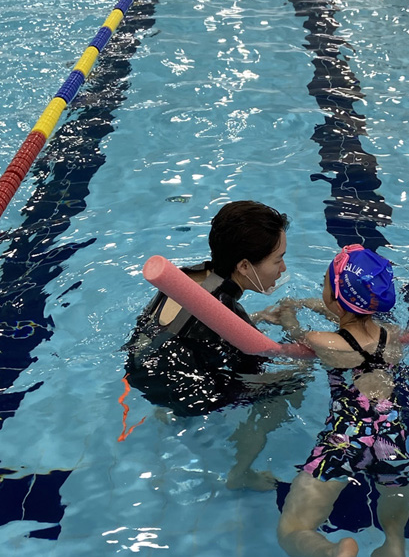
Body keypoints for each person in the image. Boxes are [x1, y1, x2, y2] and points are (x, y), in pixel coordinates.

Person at [272, 245, 409, 557]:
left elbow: (297, 336)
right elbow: (351, 318)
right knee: (395, 536)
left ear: (334, 295)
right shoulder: (394, 336)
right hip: (391, 440)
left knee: (292, 533)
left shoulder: (323, 343)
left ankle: (335, 552)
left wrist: (288, 316)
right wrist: (315, 302)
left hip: (344, 440)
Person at [124, 200, 304, 488]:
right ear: (244, 266)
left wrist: (254, 319)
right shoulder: (228, 313)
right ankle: (240, 474)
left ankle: (166, 410)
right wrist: (301, 345)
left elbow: (193, 324)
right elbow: (258, 366)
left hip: (140, 366)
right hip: (180, 390)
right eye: (277, 259)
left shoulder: (188, 276)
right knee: (289, 385)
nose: (282, 268)